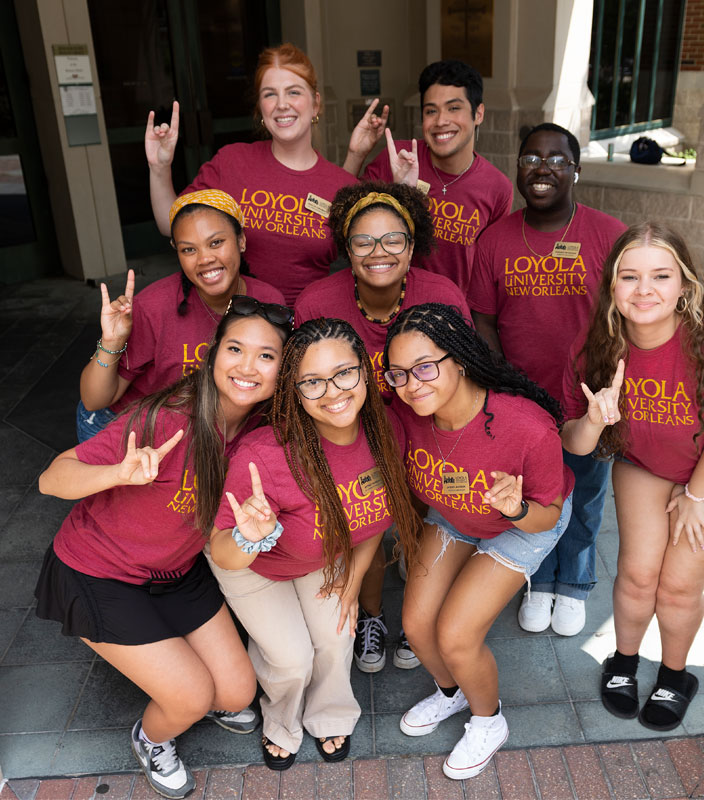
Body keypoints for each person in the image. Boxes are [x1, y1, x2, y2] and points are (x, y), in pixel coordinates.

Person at [36, 298, 294, 799]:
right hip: (97, 570)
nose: (246, 366)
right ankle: (151, 739)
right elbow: (51, 479)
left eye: (266, 356)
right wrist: (117, 474)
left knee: (238, 693)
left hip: (175, 571)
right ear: (214, 354)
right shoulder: (164, 418)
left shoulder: (263, 432)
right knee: (191, 698)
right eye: (235, 348)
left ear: (283, 371)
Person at [561, 222, 704, 731]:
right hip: (648, 462)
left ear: (685, 286)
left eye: (660, 275)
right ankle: (624, 663)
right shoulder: (596, 350)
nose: (645, 289)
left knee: (676, 587)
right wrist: (592, 420)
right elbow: (574, 444)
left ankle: (676, 676)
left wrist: (697, 494)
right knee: (637, 576)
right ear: (612, 284)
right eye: (629, 276)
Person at [208, 318, 420, 770]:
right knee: (291, 659)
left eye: (344, 373)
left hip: (322, 556)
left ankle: (330, 714)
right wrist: (249, 534)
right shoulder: (265, 454)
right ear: (294, 390)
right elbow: (224, 552)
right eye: (312, 382)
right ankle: (281, 722)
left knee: (336, 637)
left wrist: (355, 578)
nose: (333, 392)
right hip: (253, 565)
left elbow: (375, 521)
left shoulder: (387, 433)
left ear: (366, 370)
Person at [383, 303, 574, 780]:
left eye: (426, 367)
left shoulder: (526, 426)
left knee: (457, 633)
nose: (412, 384)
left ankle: (489, 721)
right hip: (453, 517)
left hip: (524, 521)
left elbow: (547, 513)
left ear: (461, 360)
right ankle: (454, 692)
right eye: (399, 373)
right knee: (417, 624)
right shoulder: (407, 415)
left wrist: (515, 509)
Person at [294, 182, 470, 674]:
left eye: (393, 239)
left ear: (412, 247)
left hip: (422, 432)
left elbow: (464, 375)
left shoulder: (441, 296)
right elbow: (302, 380)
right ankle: (371, 616)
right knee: (362, 524)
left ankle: (416, 619)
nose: (379, 252)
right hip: (350, 437)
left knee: (418, 525)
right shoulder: (318, 302)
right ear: (346, 250)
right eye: (363, 241)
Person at [468, 123, 627, 637]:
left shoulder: (607, 234)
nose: (542, 168)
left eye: (557, 159)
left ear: (576, 170)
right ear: (518, 168)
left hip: (587, 396)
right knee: (536, 495)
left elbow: (628, 315)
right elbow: (485, 320)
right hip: (524, 399)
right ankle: (538, 582)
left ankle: (574, 584)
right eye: (531, 157)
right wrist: (507, 386)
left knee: (584, 494)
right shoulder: (494, 240)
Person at [145, 43, 388, 305]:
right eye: (270, 94)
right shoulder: (232, 162)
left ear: (315, 103)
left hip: (306, 325)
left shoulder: (342, 184)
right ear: (260, 107)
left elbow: (373, 256)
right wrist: (159, 168)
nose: (282, 104)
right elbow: (171, 225)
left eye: (293, 92)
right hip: (236, 323)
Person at [78, 190, 284, 441]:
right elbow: (93, 400)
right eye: (189, 250)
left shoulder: (268, 302)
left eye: (216, 243)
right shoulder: (154, 307)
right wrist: (112, 342)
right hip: (127, 427)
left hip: (202, 431)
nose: (205, 259)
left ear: (241, 240)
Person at [346, 60, 513, 291]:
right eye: (431, 111)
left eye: (454, 108)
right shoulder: (397, 159)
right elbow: (340, 218)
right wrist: (356, 154)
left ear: (478, 114)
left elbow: (489, 273)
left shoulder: (497, 188)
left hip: (451, 316)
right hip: (384, 304)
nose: (441, 121)